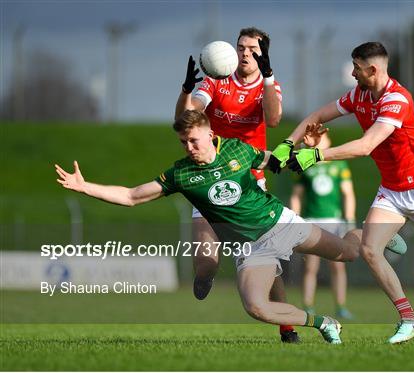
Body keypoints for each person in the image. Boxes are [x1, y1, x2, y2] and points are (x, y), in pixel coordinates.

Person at [55, 110, 364, 345]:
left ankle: (372, 236)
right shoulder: (181, 173)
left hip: (281, 224)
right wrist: (86, 188)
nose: (189, 147)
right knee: (256, 306)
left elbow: (277, 163)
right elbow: (132, 196)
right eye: (183, 142)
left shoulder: (238, 150)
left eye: (194, 140)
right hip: (251, 248)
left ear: (209, 133)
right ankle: (325, 323)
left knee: (348, 253)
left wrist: (303, 150)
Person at [269, 42, 414, 346]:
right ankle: (410, 319)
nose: (352, 72)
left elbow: (365, 146)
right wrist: (288, 142)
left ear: (372, 70)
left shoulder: (396, 100)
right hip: (392, 190)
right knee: (371, 250)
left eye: (356, 67)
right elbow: (319, 114)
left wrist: (316, 156)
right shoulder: (359, 95)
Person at [174, 27, 298, 342]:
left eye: (252, 48)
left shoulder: (269, 85)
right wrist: (186, 90)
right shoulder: (216, 80)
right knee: (206, 263)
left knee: (269, 263)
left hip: (250, 183)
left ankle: (288, 328)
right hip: (209, 179)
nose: (244, 52)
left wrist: (268, 77)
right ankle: (204, 278)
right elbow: (188, 118)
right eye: (240, 46)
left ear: (263, 54)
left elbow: (272, 120)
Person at [289, 132, 356, 320]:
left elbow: (348, 193)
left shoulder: (339, 164)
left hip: (334, 221)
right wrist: (295, 218)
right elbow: (296, 195)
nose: (318, 141)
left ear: (329, 140)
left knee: (338, 266)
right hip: (311, 221)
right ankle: (308, 306)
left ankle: (341, 306)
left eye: (323, 138)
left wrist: (349, 219)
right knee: (311, 267)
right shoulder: (306, 165)